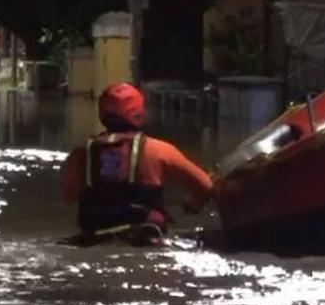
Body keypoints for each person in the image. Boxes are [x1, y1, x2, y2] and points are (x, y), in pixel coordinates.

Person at [61, 83, 215, 246]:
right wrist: (194, 201)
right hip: (143, 238)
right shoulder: (158, 150)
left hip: (93, 237)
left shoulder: (81, 153)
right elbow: (206, 186)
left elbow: (68, 197)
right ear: (139, 113)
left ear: (102, 114)